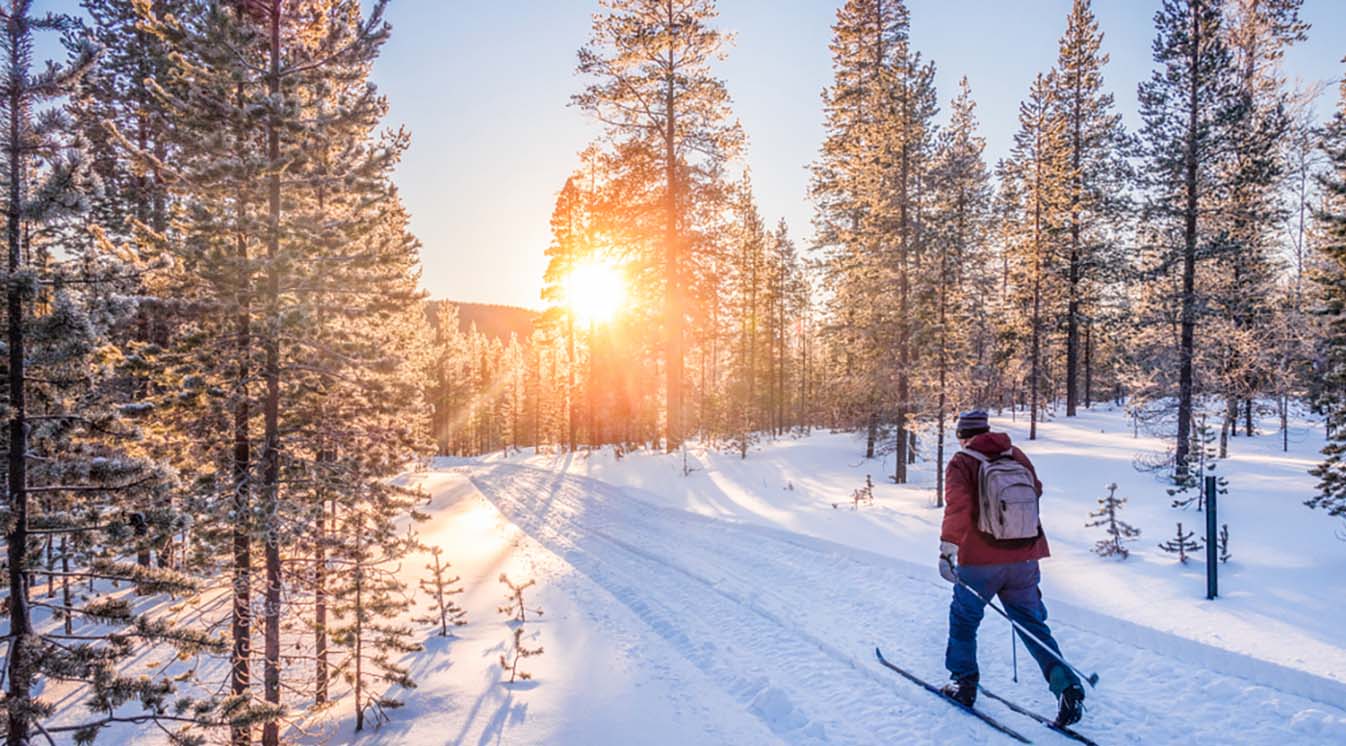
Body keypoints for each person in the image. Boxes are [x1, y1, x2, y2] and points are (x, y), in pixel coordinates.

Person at [937, 410, 1086, 727]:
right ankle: (1067, 686)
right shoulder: (1016, 454)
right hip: (1024, 558)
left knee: (964, 620)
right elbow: (1037, 490)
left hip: (979, 561)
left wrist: (948, 547)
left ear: (962, 435)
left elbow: (958, 508)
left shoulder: (962, 462)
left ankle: (963, 685)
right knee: (1033, 625)